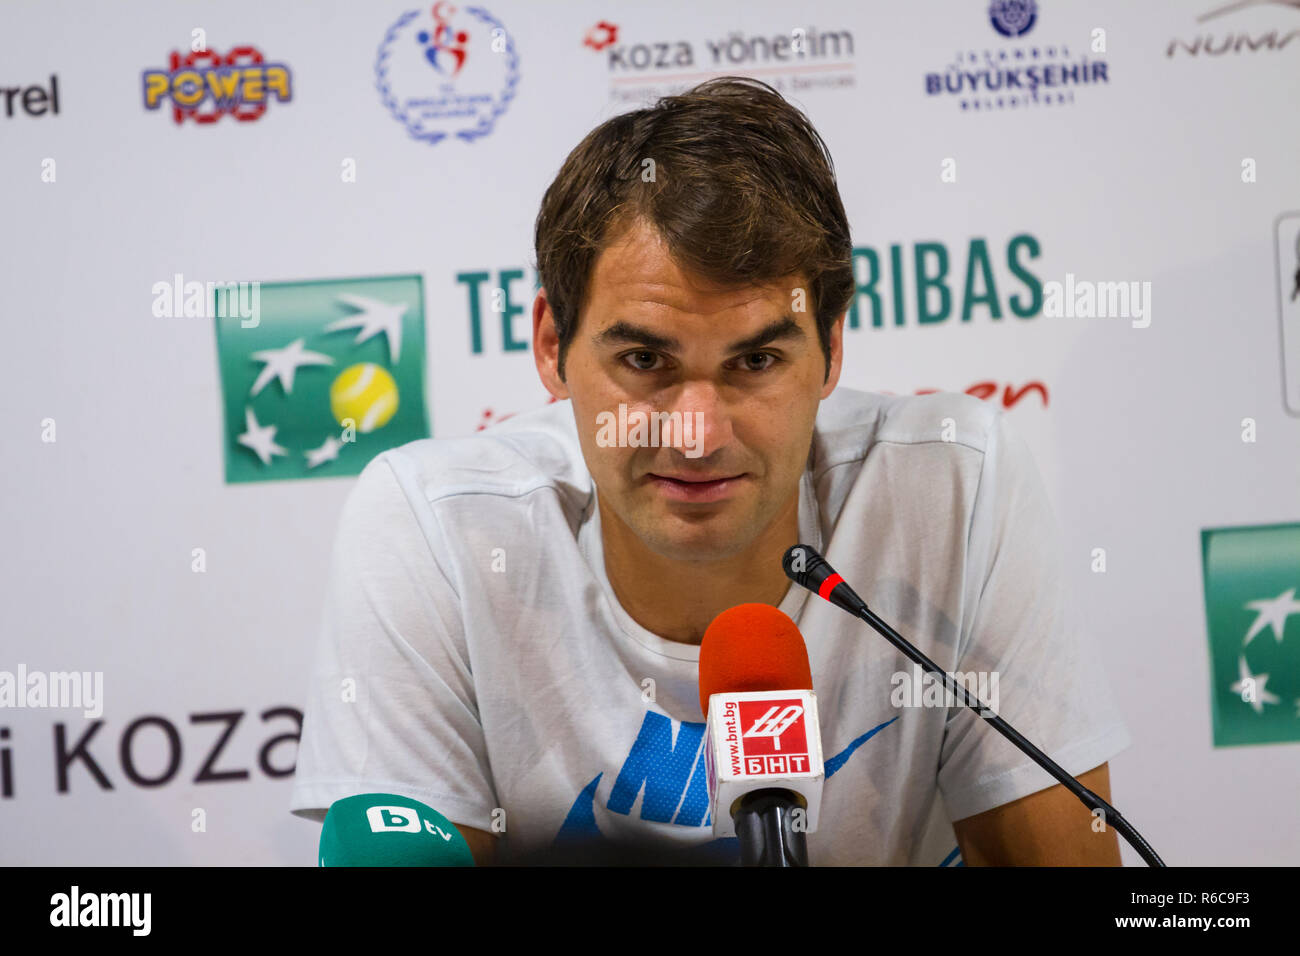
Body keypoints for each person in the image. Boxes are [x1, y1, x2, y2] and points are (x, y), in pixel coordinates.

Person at [289, 76, 1131, 865]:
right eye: (646, 359)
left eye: (756, 360)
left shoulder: (953, 486)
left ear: (832, 351)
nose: (697, 434)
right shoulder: (437, 527)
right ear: (552, 346)